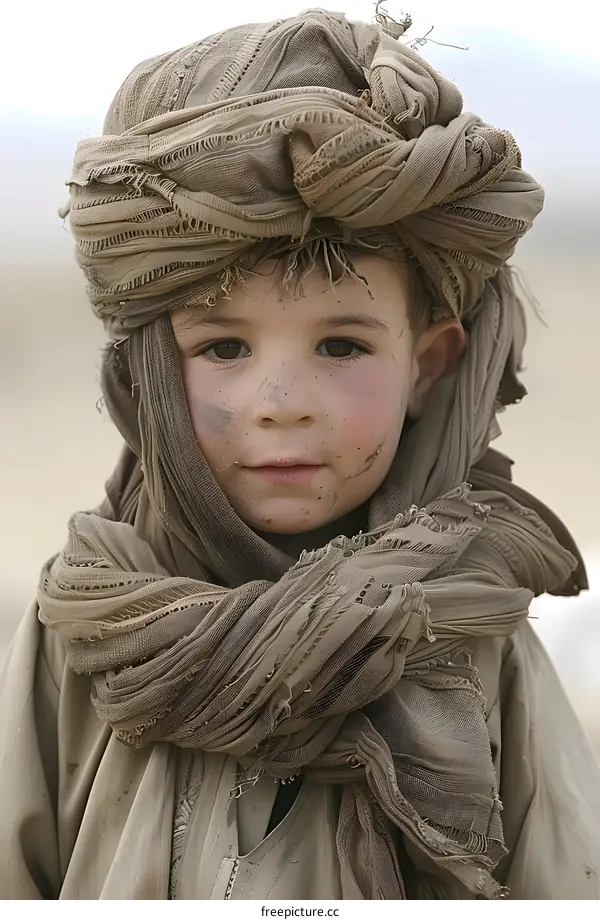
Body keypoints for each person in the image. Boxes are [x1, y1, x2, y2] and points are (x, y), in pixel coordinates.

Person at [1, 7, 599, 901]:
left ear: (429, 367)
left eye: (341, 346)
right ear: (151, 374)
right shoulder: (83, 631)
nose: (280, 405)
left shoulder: (473, 635)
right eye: (224, 348)